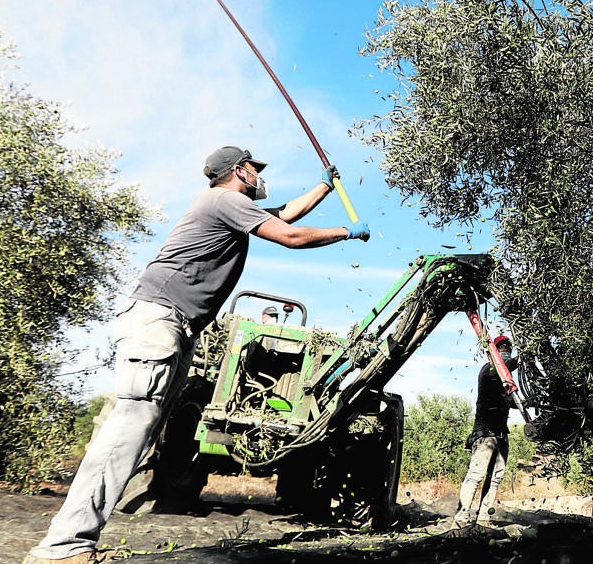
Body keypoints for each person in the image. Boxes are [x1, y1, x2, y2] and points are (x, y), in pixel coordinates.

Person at [25, 146, 369, 564]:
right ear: (239, 171)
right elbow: (289, 236)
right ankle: (63, 547)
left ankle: (73, 542)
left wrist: (324, 185)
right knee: (129, 428)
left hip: (177, 325)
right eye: (255, 169)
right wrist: (345, 232)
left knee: (142, 431)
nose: (261, 176)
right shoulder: (223, 200)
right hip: (159, 320)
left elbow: (287, 215)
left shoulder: (231, 207)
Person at [453, 334, 518, 528]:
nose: (506, 349)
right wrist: (521, 359)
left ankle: (483, 519)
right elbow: (502, 367)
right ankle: (461, 518)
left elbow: (513, 401)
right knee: (475, 476)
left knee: (495, 479)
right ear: (494, 352)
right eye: (502, 347)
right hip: (485, 436)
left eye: (509, 347)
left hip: (500, 436)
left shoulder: (505, 383)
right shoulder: (488, 371)